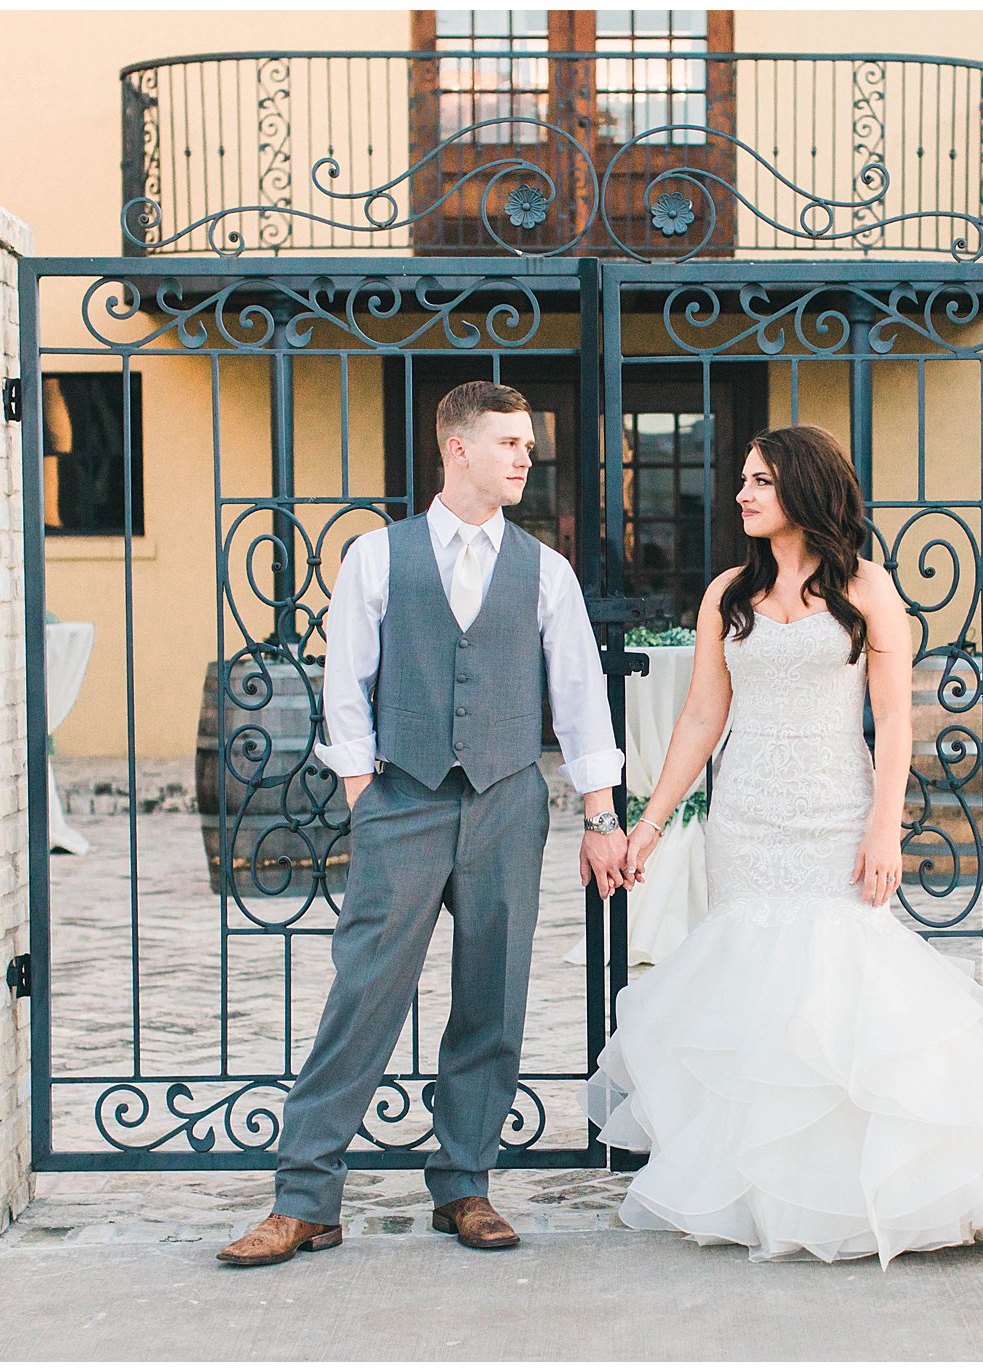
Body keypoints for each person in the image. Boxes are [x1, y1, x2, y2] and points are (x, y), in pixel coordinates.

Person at [584, 424, 983, 1268]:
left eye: (760, 481)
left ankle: (872, 1190)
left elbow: (894, 720)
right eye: (743, 479)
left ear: (803, 491)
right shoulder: (728, 594)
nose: (741, 494)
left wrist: (884, 826)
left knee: (847, 991)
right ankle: (773, 1194)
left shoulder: (867, 589)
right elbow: (703, 716)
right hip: (746, 821)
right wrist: (653, 822)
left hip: (835, 813)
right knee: (759, 995)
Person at [219, 381, 631, 1267]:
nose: (527, 457)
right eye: (510, 443)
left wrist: (601, 813)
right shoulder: (377, 556)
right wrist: (366, 791)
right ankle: (305, 1200)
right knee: (364, 992)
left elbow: (579, 698)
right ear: (458, 449)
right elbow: (347, 684)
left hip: (507, 800)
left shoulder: (544, 570)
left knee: (492, 994)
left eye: (529, 444)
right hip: (401, 798)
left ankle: (465, 1185)